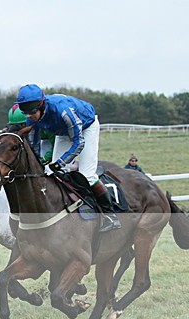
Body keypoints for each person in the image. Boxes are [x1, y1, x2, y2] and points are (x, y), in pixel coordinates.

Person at [16, 84, 121, 232]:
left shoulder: (63, 111)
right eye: (26, 113)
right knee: (56, 175)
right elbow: (33, 146)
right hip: (63, 132)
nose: (30, 117)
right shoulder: (31, 118)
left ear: (41, 105)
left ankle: (110, 216)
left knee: (87, 175)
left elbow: (79, 143)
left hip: (86, 127)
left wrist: (59, 164)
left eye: (32, 112)